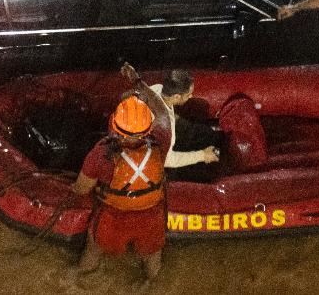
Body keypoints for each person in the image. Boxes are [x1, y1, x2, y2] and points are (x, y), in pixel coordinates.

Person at [72, 94, 168, 279]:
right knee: (152, 261)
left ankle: (77, 281)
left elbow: (82, 189)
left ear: (114, 125)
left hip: (113, 218)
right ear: (149, 128)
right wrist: (139, 83)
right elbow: (163, 112)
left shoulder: (101, 153)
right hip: (151, 218)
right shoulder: (161, 142)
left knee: (92, 254)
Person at [120, 64, 220, 182]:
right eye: (188, 94)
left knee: (200, 131)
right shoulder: (165, 126)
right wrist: (202, 155)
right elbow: (167, 160)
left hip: (139, 131)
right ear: (177, 96)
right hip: (145, 159)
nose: (191, 96)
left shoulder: (157, 88)